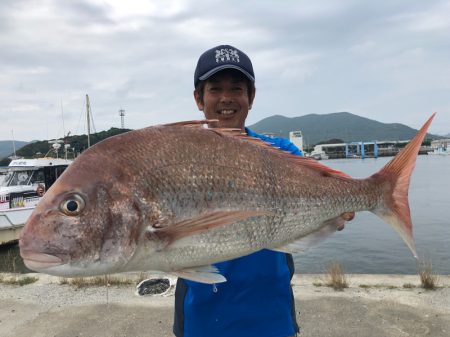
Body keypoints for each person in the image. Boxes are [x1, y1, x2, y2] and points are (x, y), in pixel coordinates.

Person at [173, 45, 351, 337]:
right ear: (198, 98)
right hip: (203, 318)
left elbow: (331, 184)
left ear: (251, 97)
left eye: (237, 89)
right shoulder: (181, 158)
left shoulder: (282, 152)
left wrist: (342, 205)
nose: (226, 98)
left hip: (273, 317)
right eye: (215, 89)